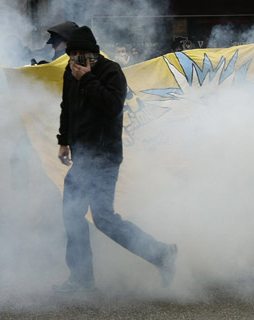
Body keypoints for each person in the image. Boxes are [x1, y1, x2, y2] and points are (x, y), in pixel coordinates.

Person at [54, 26, 177, 293]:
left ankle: (160, 256)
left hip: (104, 156)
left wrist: (87, 78)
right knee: (86, 215)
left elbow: (112, 108)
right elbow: (67, 106)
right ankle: (158, 255)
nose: (76, 59)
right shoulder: (69, 72)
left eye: (81, 53)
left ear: (93, 52)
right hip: (83, 155)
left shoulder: (110, 71)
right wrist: (64, 139)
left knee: (98, 218)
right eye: (72, 54)